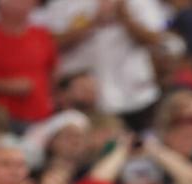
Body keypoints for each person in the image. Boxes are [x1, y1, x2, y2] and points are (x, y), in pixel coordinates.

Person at [36, 0, 168, 131]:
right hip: (82, 98)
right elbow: (48, 42)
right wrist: (92, 21)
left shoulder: (141, 3)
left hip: (135, 96)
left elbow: (156, 39)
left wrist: (125, 17)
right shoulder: (63, 3)